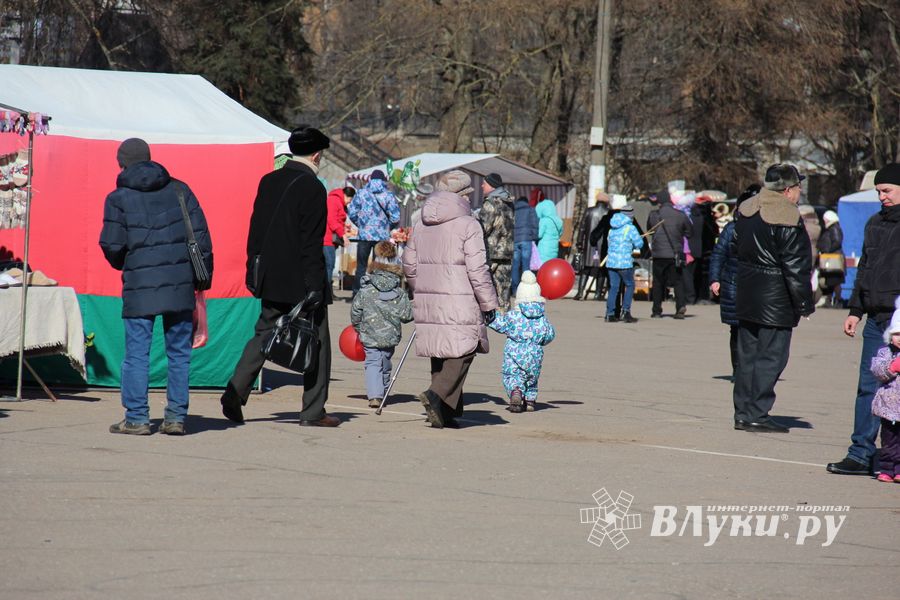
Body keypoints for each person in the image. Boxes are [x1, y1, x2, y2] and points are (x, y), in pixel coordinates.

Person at [220, 125, 339, 427]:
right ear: (316, 154)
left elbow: (255, 229)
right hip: (301, 280)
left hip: (270, 276)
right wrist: (316, 285)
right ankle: (313, 411)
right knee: (318, 344)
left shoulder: (269, 180)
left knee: (263, 334)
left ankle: (236, 390)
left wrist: (253, 270)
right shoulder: (313, 187)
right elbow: (311, 242)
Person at [99, 138, 213, 436]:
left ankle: (136, 418)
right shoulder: (179, 190)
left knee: (136, 354)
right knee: (179, 354)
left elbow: (112, 245)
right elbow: (201, 237)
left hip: (139, 285)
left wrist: (128, 263)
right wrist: (203, 279)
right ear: (150, 158)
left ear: (121, 164)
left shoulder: (118, 198)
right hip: (180, 285)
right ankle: (175, 417)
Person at [403, 170, 499, 429]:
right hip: (461, 294)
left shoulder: (421, 222)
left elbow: (409, 264)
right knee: (465, 349)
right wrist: (490, 303)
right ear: (463, 196)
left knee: (441, 348)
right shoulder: (469, 224)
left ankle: (446, 411)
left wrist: (421, 287)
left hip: (429, 293)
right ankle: (436, 395)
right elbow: (478, 269)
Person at [827, 163, 900, 475]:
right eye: (879, 191)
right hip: (875, 320)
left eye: (888, 191)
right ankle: (860, 453)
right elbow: (865, 271)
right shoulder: (874, 223)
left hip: (898, 318)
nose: (882, 196)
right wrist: (855, 311)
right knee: (868, 387)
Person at [731, 163, 814, 433]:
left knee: (747, 358)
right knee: (771, 357)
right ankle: (757, 413)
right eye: (798, 186)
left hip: (747, 292)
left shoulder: (746, 209)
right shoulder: (787, 215)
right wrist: (804, 303)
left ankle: (743, 412)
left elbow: (735, 247)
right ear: (788, 190)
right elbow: (796, 266)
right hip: (775, 298)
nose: (800, 192)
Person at [350, 241, 413, 408]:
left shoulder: (366, 289)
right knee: (385, 361)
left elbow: (356, 311)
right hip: (390, 335)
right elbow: (407, 316)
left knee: (373, 362)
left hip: (369, 333)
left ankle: (375, 395)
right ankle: (381, 391)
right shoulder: (399, 292)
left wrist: (357, 326)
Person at [709, 184, 760, 380]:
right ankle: (739, 370)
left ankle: (747, 369)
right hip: (734, 284)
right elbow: (718, 255)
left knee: (748, 330)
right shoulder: (731, 229)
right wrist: (714, 279)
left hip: (751, 285)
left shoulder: (760, 229)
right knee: (738, 329)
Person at [488, 270, 556, 413]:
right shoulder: (542, 319)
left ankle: (516, 392)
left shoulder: (513, 317)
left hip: (515, 353)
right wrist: (539, 341)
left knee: (513, 375)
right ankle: (530, 400)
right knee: (532, 378)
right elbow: (550, 334)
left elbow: (501, 324)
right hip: (535, 355)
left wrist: (490, 319)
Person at [347, 170, 400, 295]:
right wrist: (387, 227)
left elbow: (352, 213)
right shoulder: (388, 195)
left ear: (370, 179)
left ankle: (357, 293)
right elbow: (396, 217)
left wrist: (361, 225)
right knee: (379, 266)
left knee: (361, 266)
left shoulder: (361, 193)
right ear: (383, 180)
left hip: (364, 236)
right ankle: (377, 293)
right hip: (381, 237)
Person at [647, 190, 692, 319]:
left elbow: (649, 230)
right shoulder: (680, 215)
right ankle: (680, 307)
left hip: (658, 254)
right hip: (675, 254)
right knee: (678, 281)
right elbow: (690, 232)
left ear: (659, 202)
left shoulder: (653, 215)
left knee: (658, 282)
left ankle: (656, 310)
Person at [869, 298, 900, 483]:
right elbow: (877, 371)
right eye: (897, 334)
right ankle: (887, 468)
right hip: (889, 408)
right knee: (889, 441)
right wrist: (892, 367)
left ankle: (899, 470)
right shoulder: (885, 352)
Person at [478, 172, 514, 309]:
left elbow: (482, 227)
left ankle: (487, 315)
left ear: (492, 186)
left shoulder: (491, 203)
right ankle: (505, 318)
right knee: (504, 289)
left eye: (484, 183)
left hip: (491, 252)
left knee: (483, 285)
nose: (482, 186)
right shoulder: (509, 202)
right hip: (507, 251)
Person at [603, 204, 644, 323]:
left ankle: (609, 314)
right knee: (630, 285)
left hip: (611, 262)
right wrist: (636, 241)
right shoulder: (630, 228)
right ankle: (626, 312)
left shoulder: (612, 228)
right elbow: (639, 244)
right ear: (630, 216)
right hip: (624, 263)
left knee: (614, 288)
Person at [573, 195, 609, 301]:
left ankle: (580, 293)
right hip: (603, 245)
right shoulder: (609, 212)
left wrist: (579, 242)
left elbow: (582, 228)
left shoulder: (589, 211)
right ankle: (598, 294)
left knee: (586, 269)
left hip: (590, 244)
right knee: (601, 269)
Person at [323, 186, 353, 288]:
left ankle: (327, 292)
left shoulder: (338, 201)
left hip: (330, 239)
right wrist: (343, 235)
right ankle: (325, 293)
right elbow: (331, 220)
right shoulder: (333, 200)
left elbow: (337, 219)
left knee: (329, 265)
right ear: (345, 195)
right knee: (329, 265)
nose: (349, 202)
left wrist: (344, 227)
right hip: (327, 239)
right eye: (350, 199)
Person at [816, 209, 844, 308]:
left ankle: (838, 301)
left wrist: (828, 251)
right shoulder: (833, 228)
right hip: (832, 258)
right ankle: (829, 300)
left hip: (833, 258)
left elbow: (836, 241)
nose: (824, 221)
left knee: (834, 281)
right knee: (830, 281)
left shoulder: (834, 228)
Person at [512, 195, 538, 295]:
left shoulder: (513, 210)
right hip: (526, 239)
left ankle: (514, 290)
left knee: (515, 266)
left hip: (515, 240)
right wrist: (534, 237)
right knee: (526, 266)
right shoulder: (530, 210)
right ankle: (525, 290)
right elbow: (535, 224)